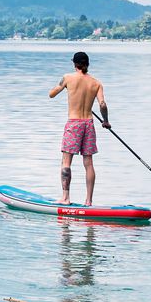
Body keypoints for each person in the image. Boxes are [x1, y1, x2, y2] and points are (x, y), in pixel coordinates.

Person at [48, 50, 108, 204]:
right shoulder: (96, 83)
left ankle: (65, 198)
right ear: (87, 64)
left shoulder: (68, 78)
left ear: (74, 64)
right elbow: (102, 104)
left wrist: (67, 88)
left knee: (66, 162)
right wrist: (105, 121)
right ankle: (88, 201)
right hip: (88, 123)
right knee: (88, 163)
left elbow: (52, 94)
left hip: (74, 123)